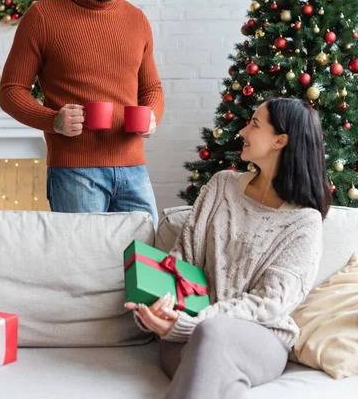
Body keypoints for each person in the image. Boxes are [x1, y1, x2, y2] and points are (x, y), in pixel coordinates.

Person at [125, 98, 332, 398]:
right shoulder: (221, 186)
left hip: (260, 339)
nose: (243, 131)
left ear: (280, 140)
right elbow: (182, 262)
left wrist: (194, 324)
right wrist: (161, 305)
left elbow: (269, 303)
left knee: (213, 335)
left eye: (255, 124)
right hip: (185, 334)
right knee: (216, 370)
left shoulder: (304, 222)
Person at [0, 0, 164, 225]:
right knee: (82, 270)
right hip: (74, 172)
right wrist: (54, 120)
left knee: (147, 262)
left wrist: (152, 115)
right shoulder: (43, 16)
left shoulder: (136, 19)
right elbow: (10, 91)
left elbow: (151, 88)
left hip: (134, 170)